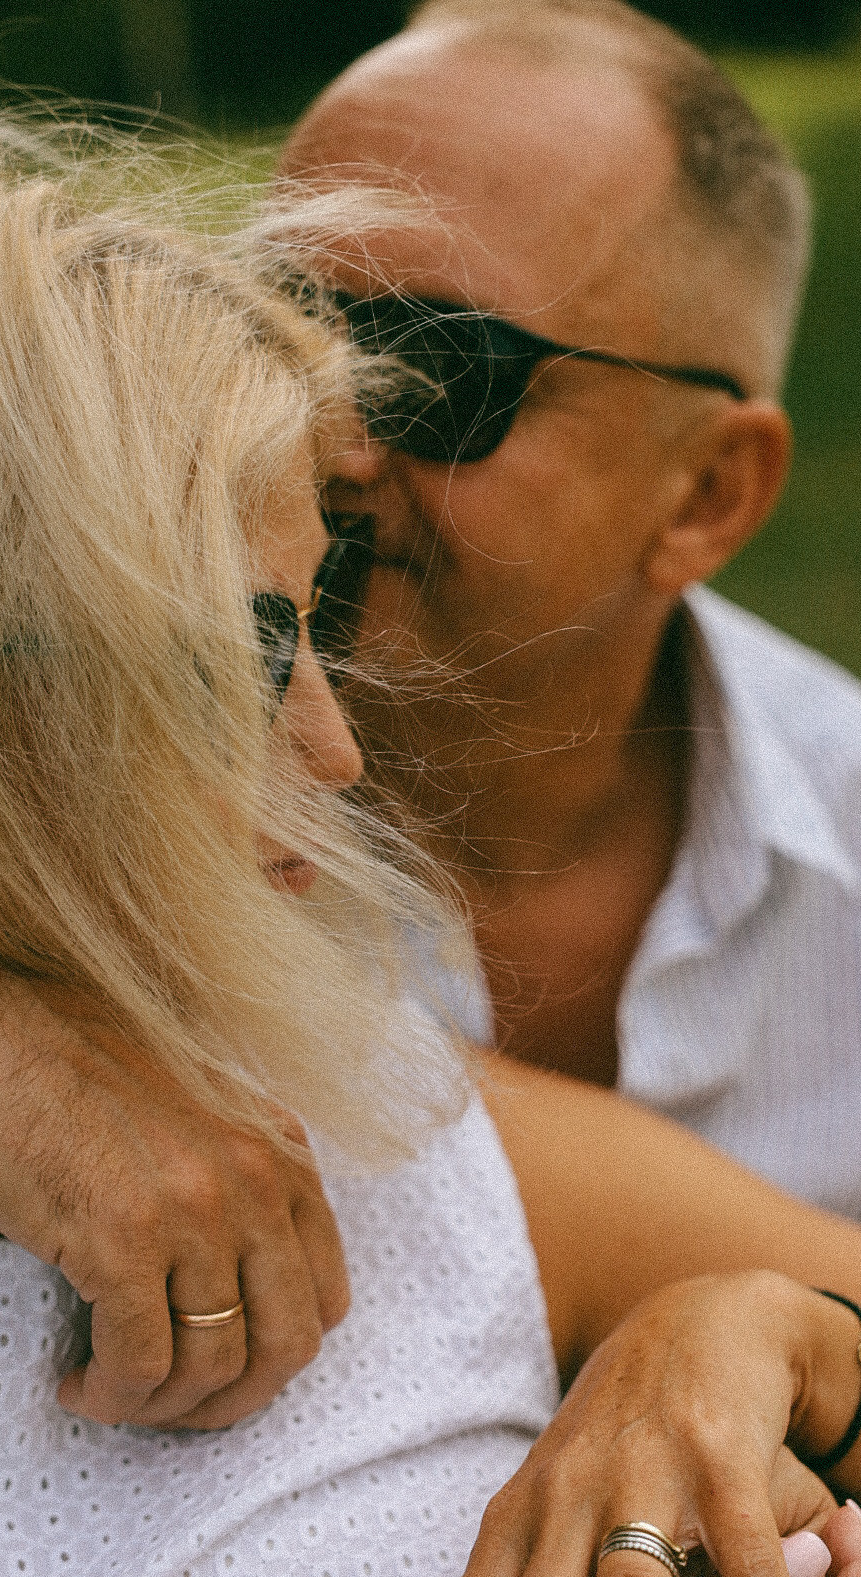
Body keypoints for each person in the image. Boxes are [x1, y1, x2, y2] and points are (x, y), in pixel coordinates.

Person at [0, 107, 861, 1577]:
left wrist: (739, 1326)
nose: (342, 759)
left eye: (453, 374)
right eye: (235, 659)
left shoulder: (373, 1119)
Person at [282, 0, 861, 1215]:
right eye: (273, 334)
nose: (324, 440)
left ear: (706, 493)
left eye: (433, 369)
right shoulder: (50, 777)